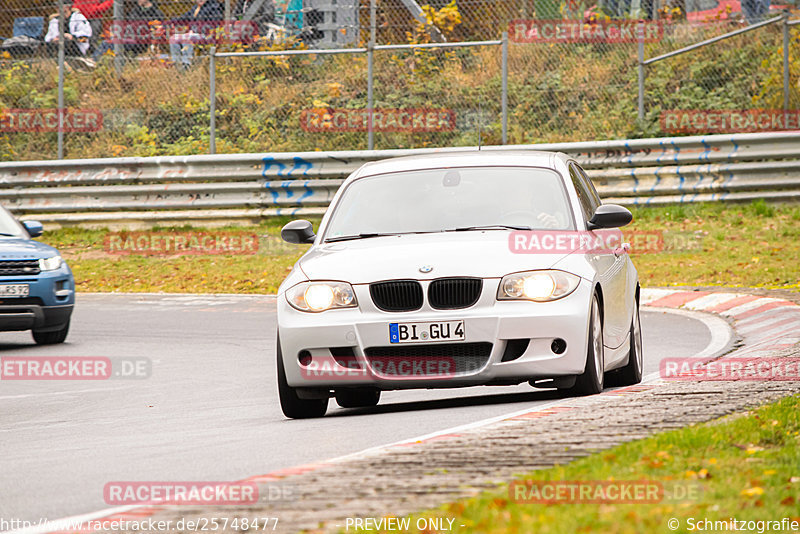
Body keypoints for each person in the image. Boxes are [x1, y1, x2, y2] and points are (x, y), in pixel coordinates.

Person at [169, 0, 224, 69]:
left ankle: (186, 65)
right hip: (193, 34)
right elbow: (183, 18)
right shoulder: (195, 8)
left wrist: (196, 30)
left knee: (187, 38)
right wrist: (171, 22)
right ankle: (177, 64)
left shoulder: (214, 7)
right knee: (173, 38)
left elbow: (214, 25)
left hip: (207, 36)